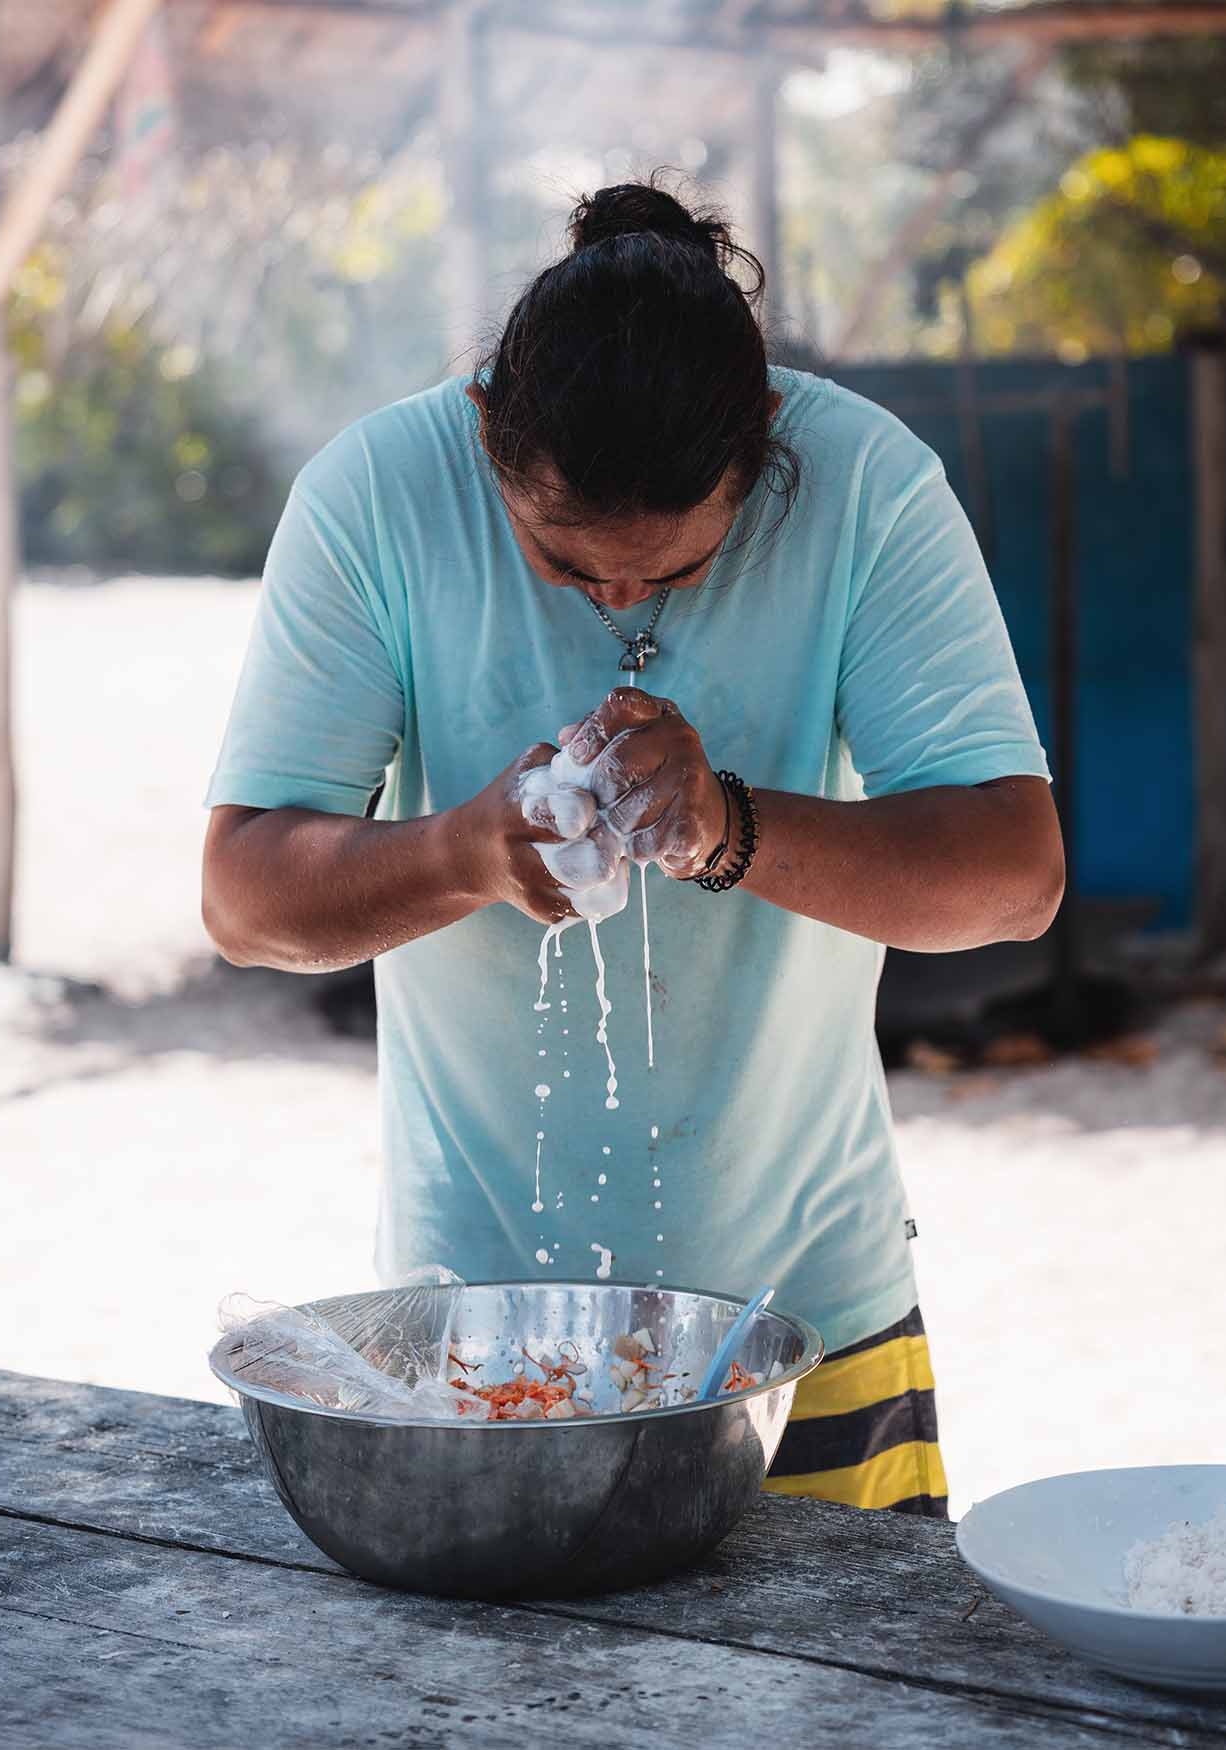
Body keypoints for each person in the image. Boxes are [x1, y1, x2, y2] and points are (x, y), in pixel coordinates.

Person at [202, 180, 1063, 1517]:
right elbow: (245, 895)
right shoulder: (377, 495)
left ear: (764, 445)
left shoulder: (866, 489)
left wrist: (730, 824)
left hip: (806, 1328)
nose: (614, 598)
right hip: (474, 1341)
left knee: (842, 1720)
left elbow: (1015, 873)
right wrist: (465, 852)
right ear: (487, 428)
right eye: (563, 560)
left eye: (667, 574)